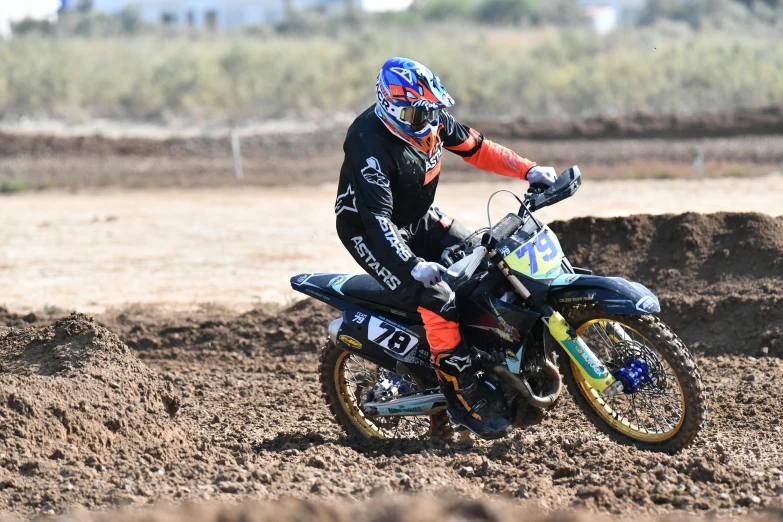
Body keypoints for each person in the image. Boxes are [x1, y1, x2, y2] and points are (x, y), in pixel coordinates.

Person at [334, 57, 557, 439]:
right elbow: (378, 219)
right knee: (436, 296)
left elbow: (477, 148)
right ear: (389, 107)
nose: (424, 121)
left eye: (428, 111)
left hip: (420, 215)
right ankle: (463, 398)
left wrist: (527, 169)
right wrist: (411, 264)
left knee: (486, 260)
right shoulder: (366, 142)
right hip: (371, 231)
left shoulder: (432, 118)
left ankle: (490, 360)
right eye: (413, 113)